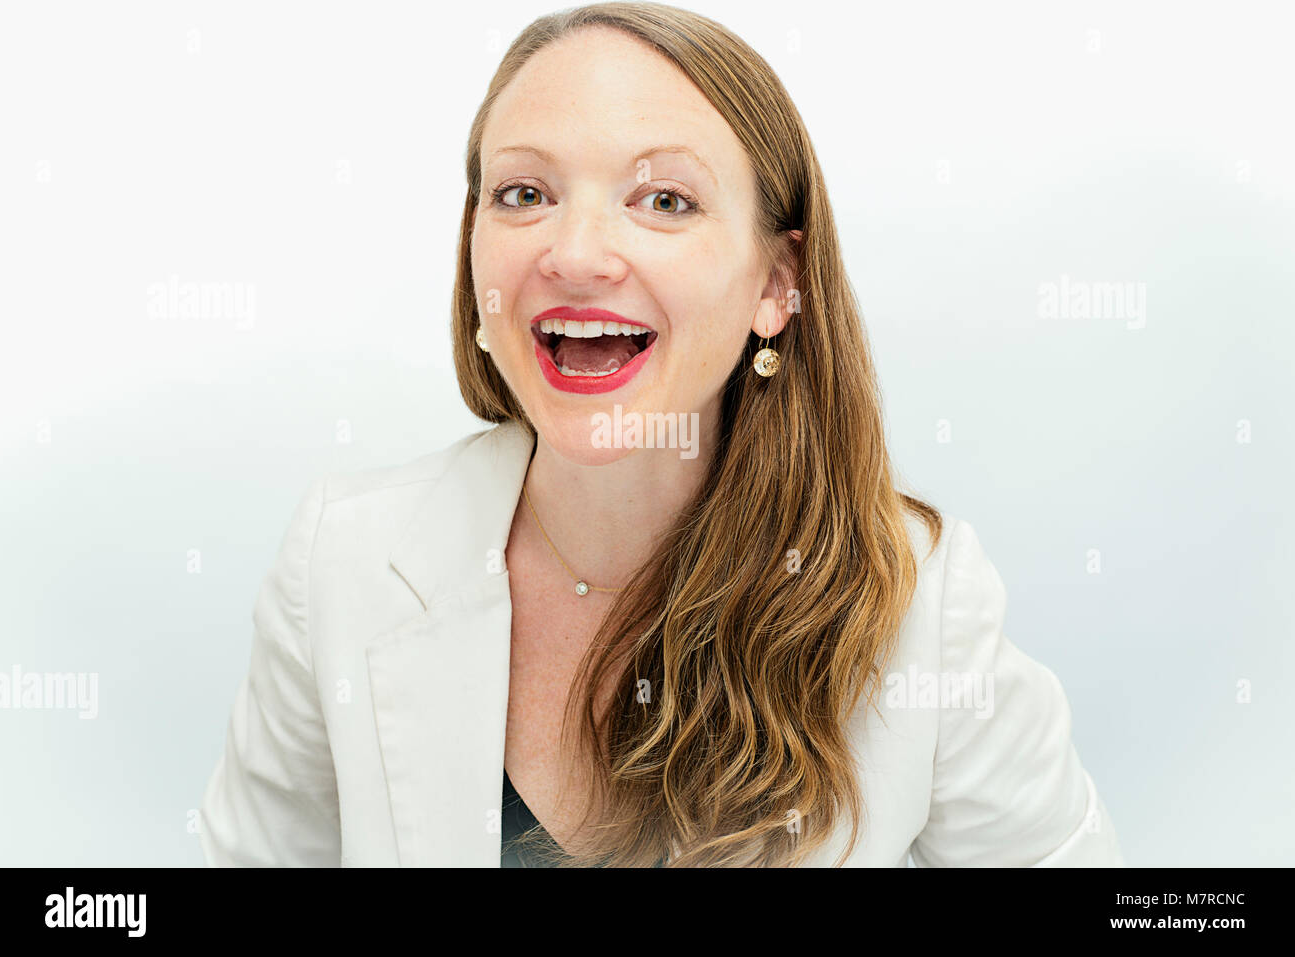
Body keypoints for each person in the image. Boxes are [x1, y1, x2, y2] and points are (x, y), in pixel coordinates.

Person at [200, 1, 1124, 867]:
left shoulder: (924, 604)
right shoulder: (343, 561)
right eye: (524, 193)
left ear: (776, 286)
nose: (575, 254)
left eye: (664, 201)